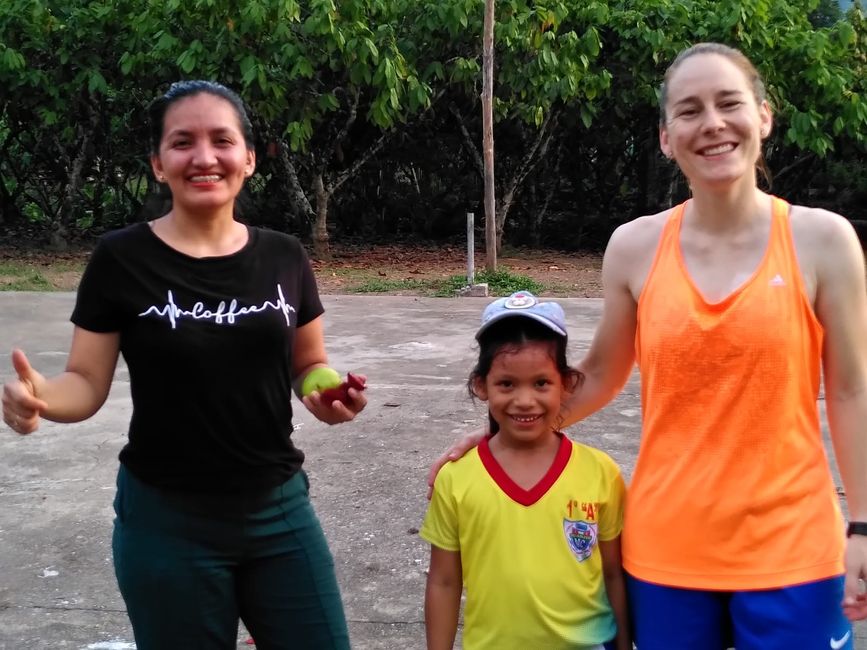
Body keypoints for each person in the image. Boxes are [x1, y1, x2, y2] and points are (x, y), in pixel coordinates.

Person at [429, 43, 867, 648]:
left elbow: (849, 389)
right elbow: (603, 372)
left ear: (763, 116)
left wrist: (863, 526)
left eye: (729, 103)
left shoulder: (823, 241)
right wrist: (501, 436)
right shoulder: (635, 247)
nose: (712, 123)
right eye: (689, 111)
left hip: (795, 546)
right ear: (666, 138)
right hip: (667, 548)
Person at [1, 80, 365, 650]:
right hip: (166, 521)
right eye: (182, 142)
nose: (203, 157)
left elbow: (308, 363)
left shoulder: (283, 254)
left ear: (248, 157)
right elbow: (86, 382)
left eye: (222, 140)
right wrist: (41, 398)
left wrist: (326, 393)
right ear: (158, 163)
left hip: (279, 508)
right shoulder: (121, 257)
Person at [422, 291, 630, 650]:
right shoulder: (457, 478)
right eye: (506, 383)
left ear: (566, 384)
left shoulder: (601, 472)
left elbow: (613, 573)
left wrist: (625, 644)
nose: (524, 400)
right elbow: (443, 581)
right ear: (480, 385)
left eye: (541, 383)